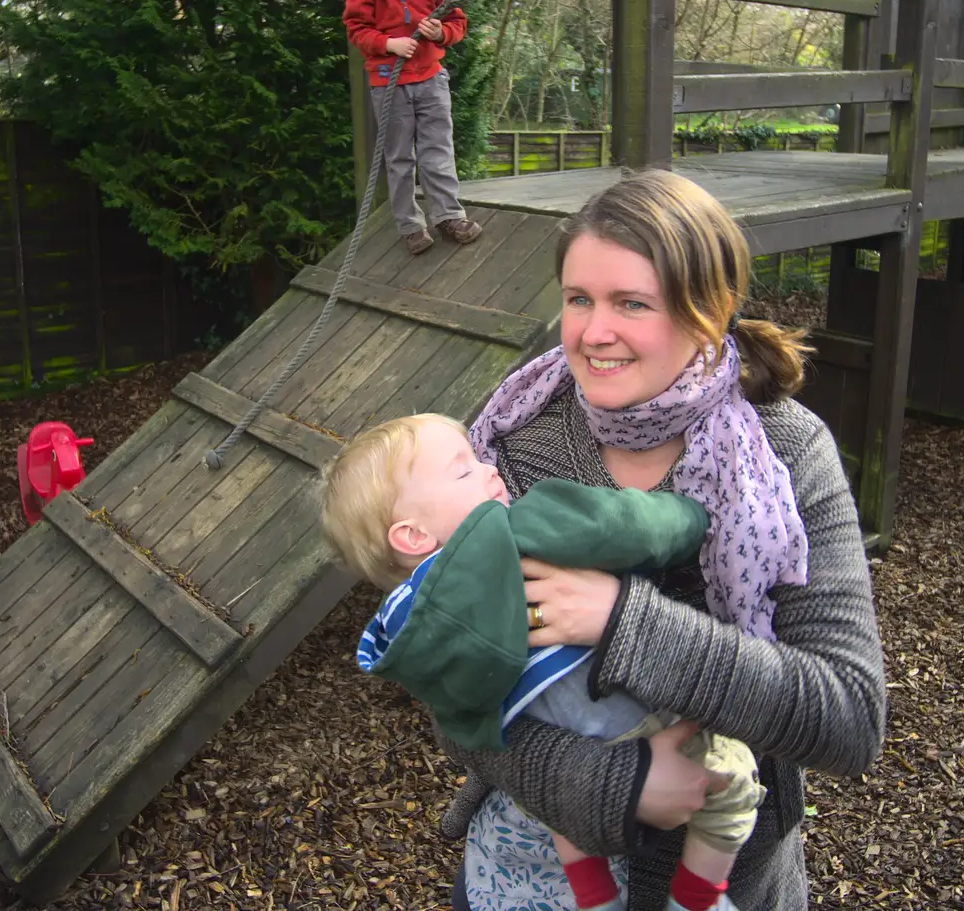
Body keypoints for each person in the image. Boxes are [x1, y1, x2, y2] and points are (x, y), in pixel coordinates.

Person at [437, 169, 889, 911]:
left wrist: (623, 621)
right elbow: (449, 675)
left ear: (706, 313)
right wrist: (616, 785)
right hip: (530, 870)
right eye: (578, 298)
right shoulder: (519, 437)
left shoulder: (784, 453)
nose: (592, 331)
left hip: (729, 876)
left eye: (631, 303)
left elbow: (846, 714)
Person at [319, 412, 768, 911]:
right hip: (620, 713)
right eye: (464, 470)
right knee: (733, 775)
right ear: (412, 536)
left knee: (556, 800)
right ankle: (699, 899)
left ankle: (593, 893)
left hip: (546, 749)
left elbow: (460, 723)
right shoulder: (509, 532)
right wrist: (691, 518)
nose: (489, 469)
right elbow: (619, 527)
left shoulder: (401, 624)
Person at [341, 0, 483, 255]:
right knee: (400, 156)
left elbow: (456, 22)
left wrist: (441, 33)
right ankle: (410, 224)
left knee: (438, 149)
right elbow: (357, 31)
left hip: (431, 79)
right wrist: (389, 44)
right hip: (390, 83)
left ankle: (448, 214)